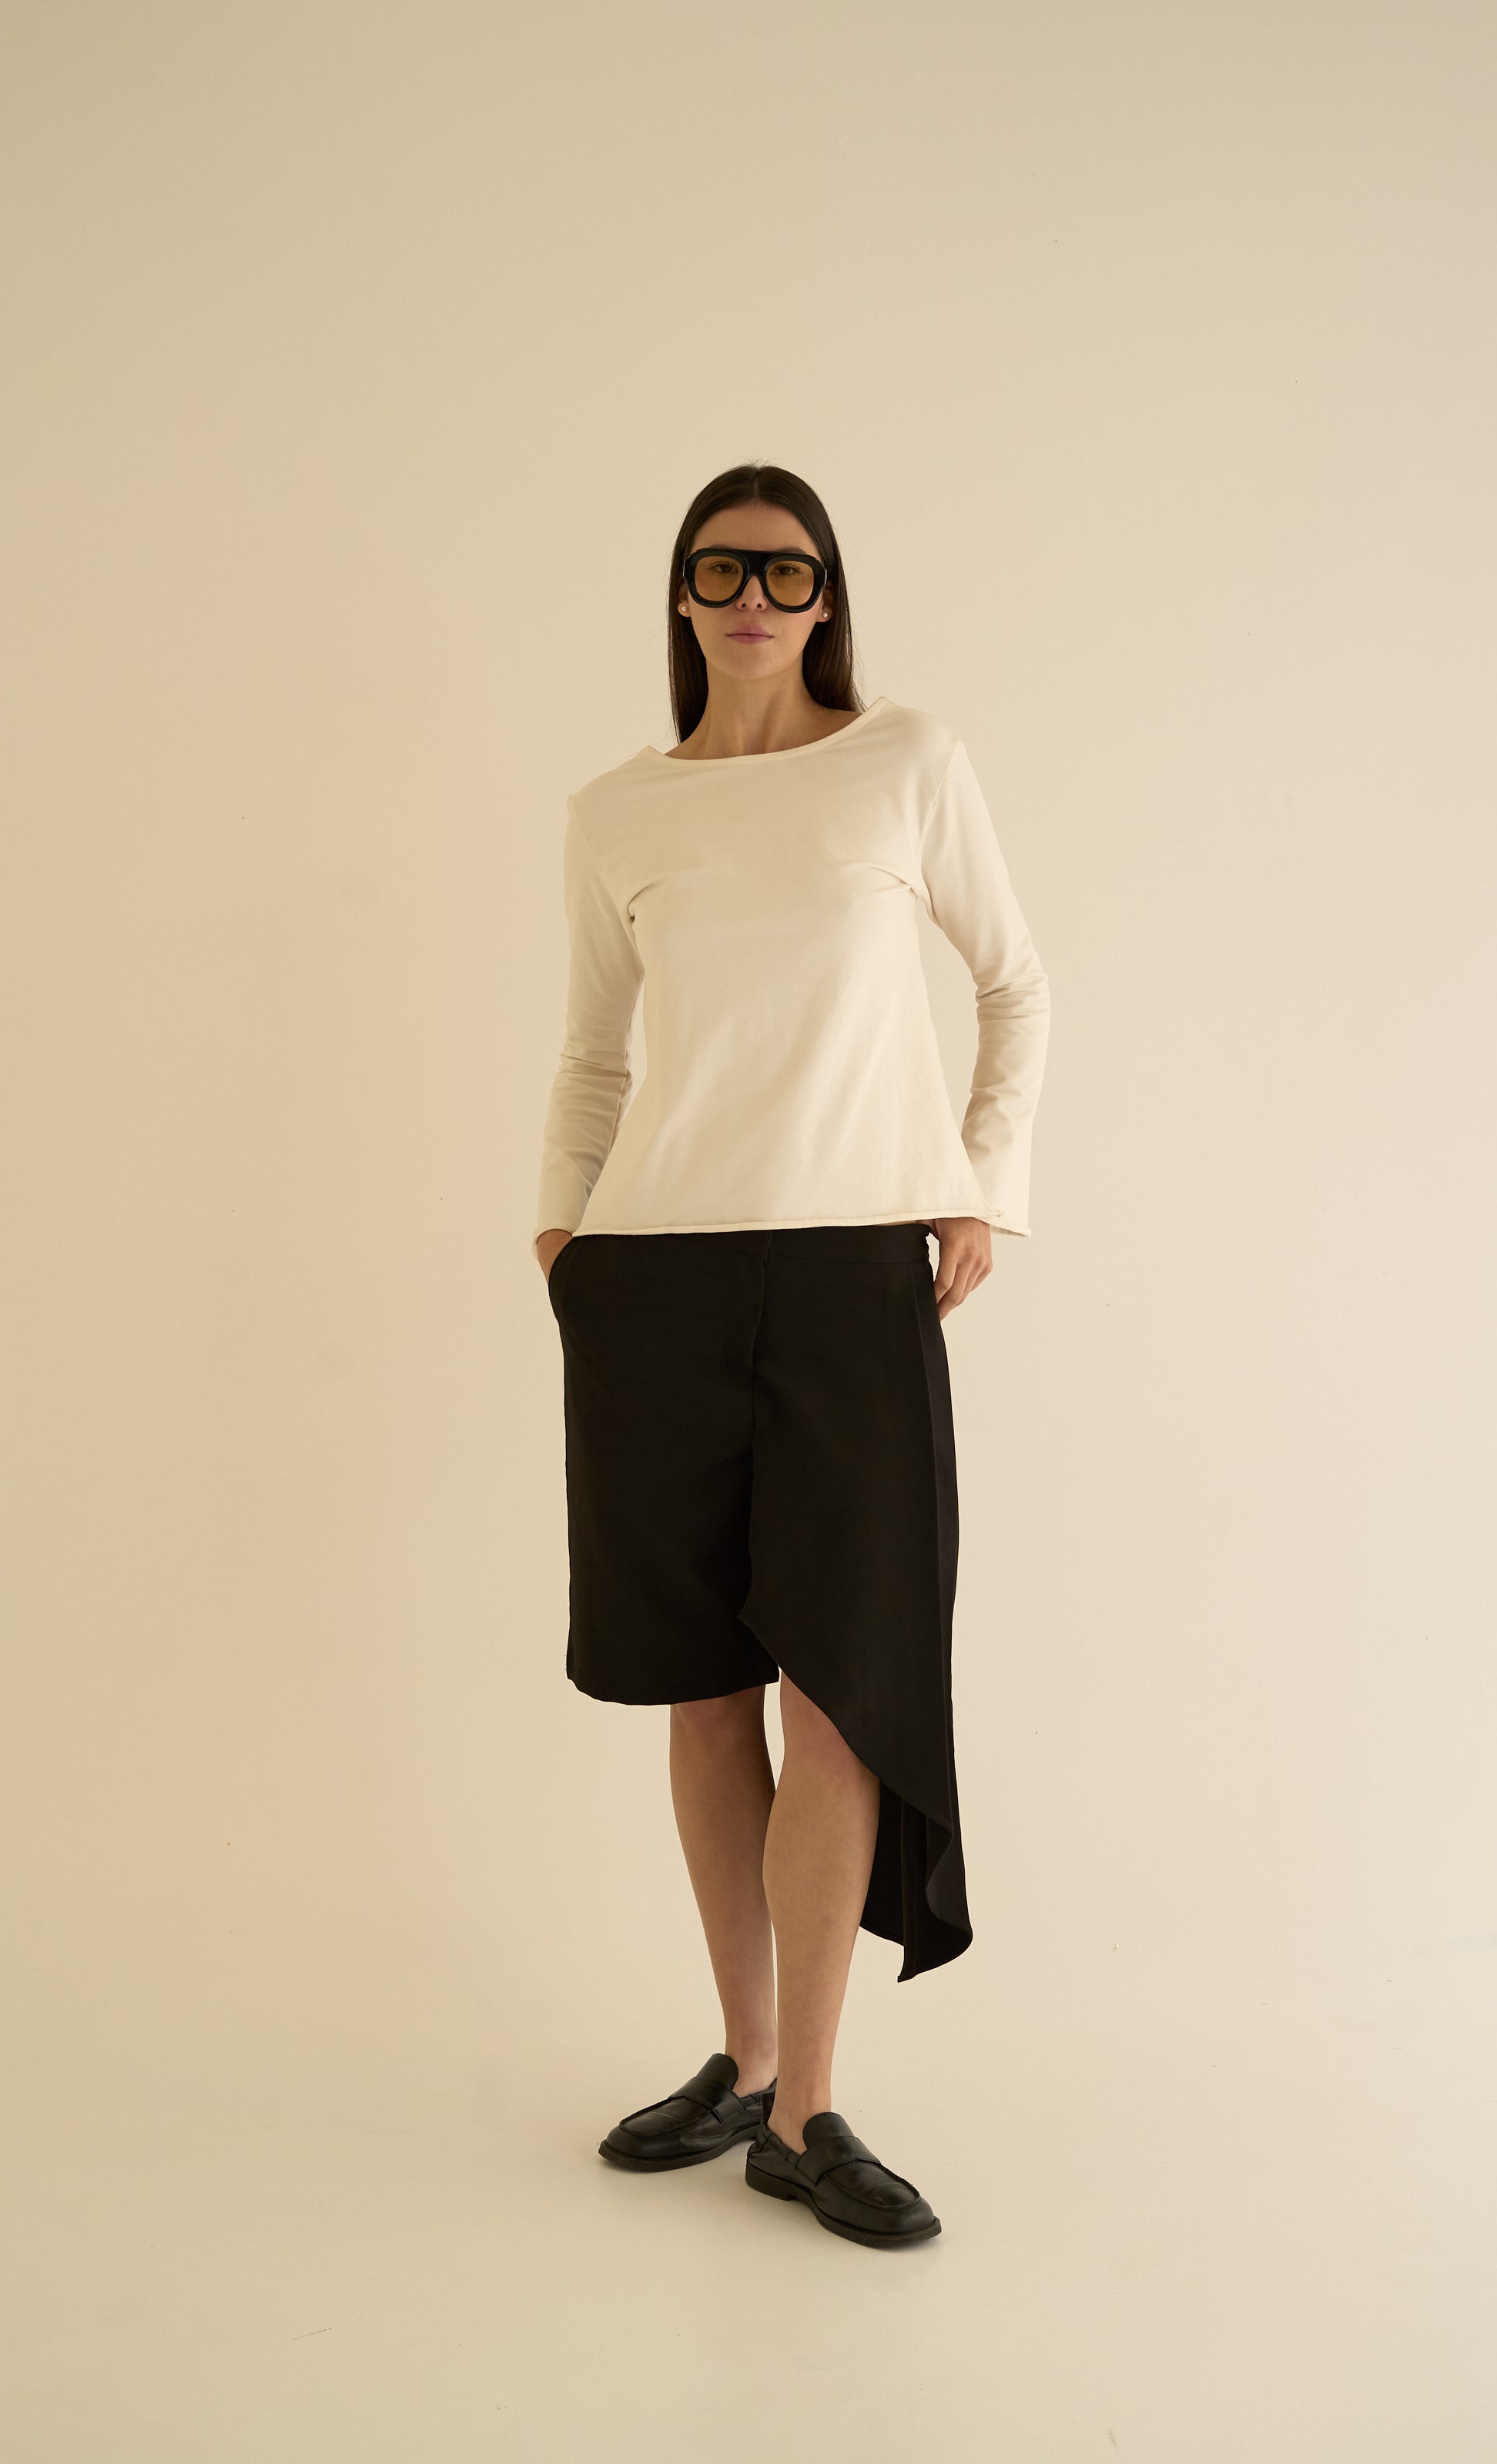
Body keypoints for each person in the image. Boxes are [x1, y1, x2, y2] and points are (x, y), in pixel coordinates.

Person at [531, 462, 1050, 2250]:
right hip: (652, 1277)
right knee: (703, 1683)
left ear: (826, 596)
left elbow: (1016, 980)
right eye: (718, 570)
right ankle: (745, 2062)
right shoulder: (615, 813)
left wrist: (977, 1182)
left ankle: (808, 2109)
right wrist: (561, 1231)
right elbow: (591, 1055)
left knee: (837, 1685)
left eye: (784, 570)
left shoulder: (903, 761)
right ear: (679, 597)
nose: (750, 597)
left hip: (846, 1274)